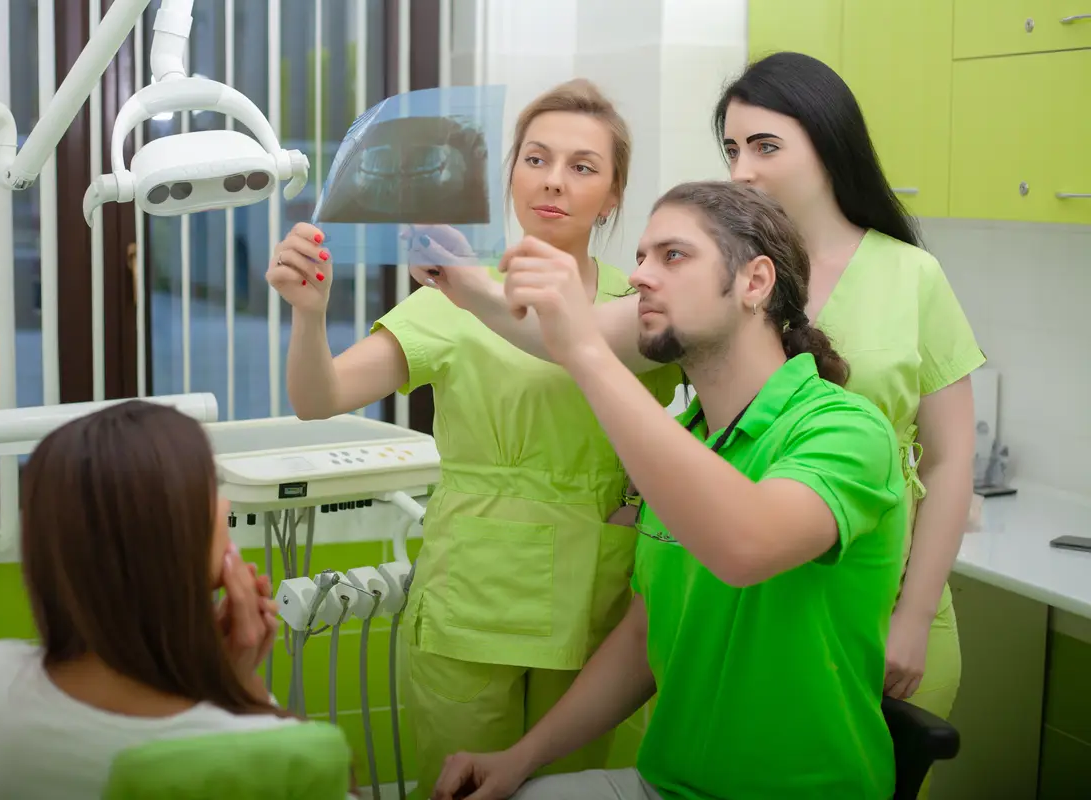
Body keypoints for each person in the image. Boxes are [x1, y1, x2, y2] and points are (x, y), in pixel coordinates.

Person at [422, 52, 981, 749]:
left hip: (874, 601)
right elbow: (579, 337)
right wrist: (462, 283)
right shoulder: (717, 281)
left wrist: (915, 617)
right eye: (732, 148)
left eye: (766, 146)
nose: (742, 168)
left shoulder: (909, 278)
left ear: (829, 144)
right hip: (754, 605)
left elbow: (954, 459)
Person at [265, 79, 683, 795]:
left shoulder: (637, 307)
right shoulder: (452, 296)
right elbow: (318, 396)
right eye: (536, 159)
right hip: (472, 600)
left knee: (579, 790)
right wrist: (310, 315)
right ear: (510, 173)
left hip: (600, 602)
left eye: (583, 167)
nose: (554, 181)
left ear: (614, 195)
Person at [429, 180, 907, 800]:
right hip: (667, 785)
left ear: (755, 283)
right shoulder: (687, 441)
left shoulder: (844, 429)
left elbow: (745, 545)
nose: (641, 278)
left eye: (673, 256)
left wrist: (582, 349)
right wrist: (521, 758)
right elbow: (639, 638)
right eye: (641, 258)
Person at [0, 401, 316, 800]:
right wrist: (244, 692)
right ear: (169, 540)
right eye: (211, 486)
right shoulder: (270, 754)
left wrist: (212, 677)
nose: (226, 505)